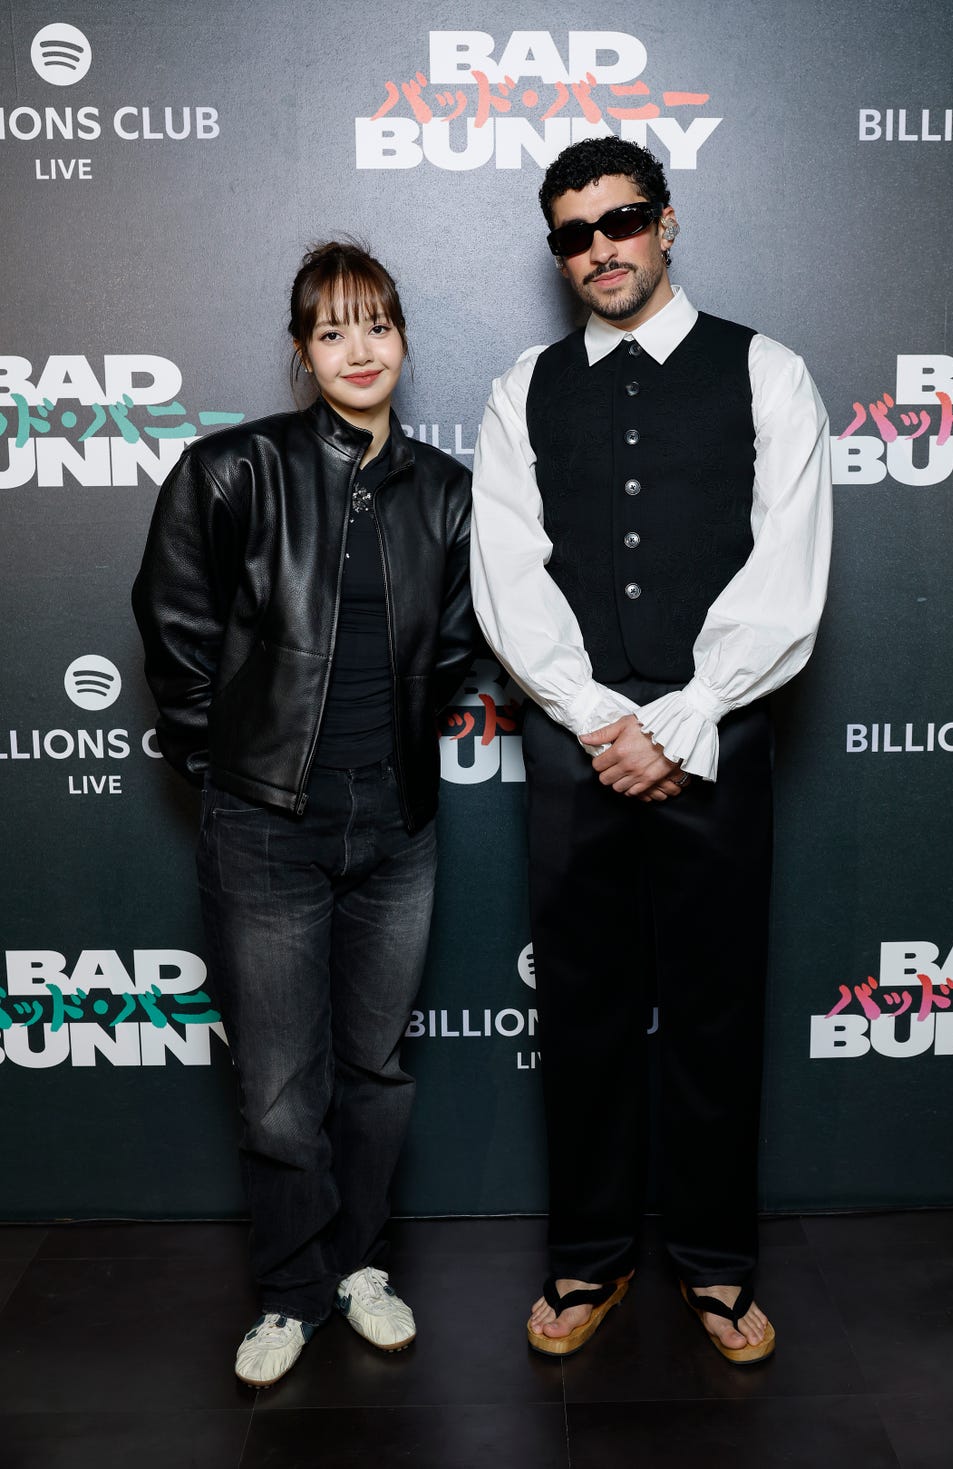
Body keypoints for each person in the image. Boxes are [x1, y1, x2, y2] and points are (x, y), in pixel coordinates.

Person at [470, 138, 832, 1363]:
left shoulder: (765, 370)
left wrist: (682, 716)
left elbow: (786, 567)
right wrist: (599, 719)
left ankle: (716, 1262)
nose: (599, 249)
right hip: (576, 743)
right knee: (580, 1011)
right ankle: (587, 1253)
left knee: (715, 1011)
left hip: (716, 736)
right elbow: (508, 573)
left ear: (664, 223)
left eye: (619, 220)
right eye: (572, 234)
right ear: (557, 252)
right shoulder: (522, 389)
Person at [133, 242, 475, 1387]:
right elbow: (175, 632)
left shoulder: (444, 490)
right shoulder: (233, 471)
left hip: (397, 826)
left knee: (374, 1071)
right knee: (281, 1088)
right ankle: (289, 1288)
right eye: (332, 330)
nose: (358, 349)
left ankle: (357, 1265)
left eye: (376, 323)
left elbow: (458, 646)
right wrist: (230, 771)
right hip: (267, 823)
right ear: (301, 351)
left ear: (402, 337)